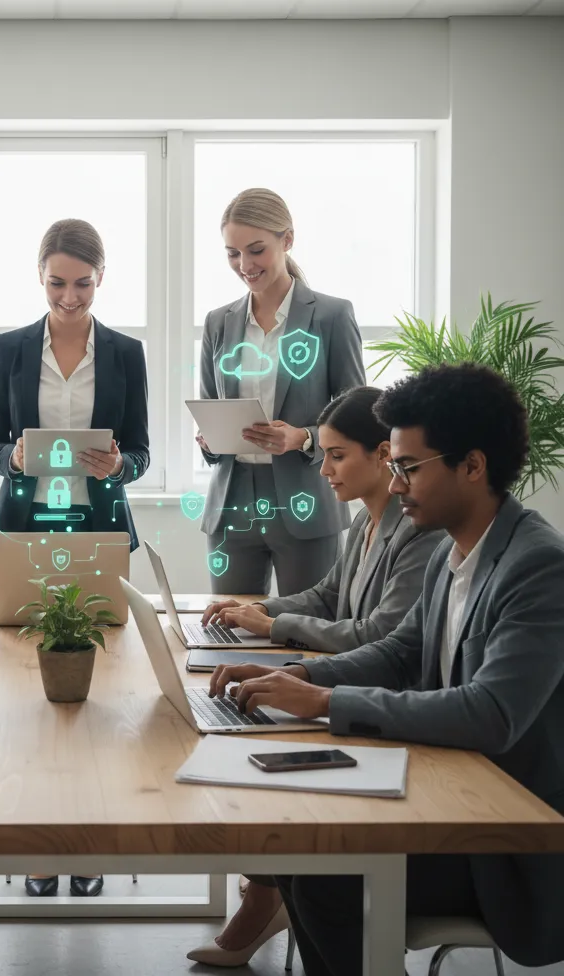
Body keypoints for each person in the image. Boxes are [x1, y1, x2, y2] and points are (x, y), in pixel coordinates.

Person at [207, 363, 564, 974]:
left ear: (472, 466)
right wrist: (300, 681)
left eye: (408, 467)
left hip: (503, 842)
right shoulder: (453, 549)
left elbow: (491, 712)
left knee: (324, 875)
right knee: (302, 848)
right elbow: (398, 652)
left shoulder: (537, 567)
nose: (395, 484)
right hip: (447, 792)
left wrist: (324, 704)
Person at [185, 385, 444, 967]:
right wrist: (260, 611)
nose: (322, 468)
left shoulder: (421, 533)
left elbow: (381, 633)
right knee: (251, 754)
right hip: (354, 689)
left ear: (383, 455)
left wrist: (276, 634)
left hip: (385, 714)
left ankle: (272, 904)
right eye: (322, 454)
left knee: (279, 806)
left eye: (335, 455)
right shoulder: (364, 525)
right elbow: (329, 597)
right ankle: (269, 901)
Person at [0, 218, 149, 898]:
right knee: (25, 691)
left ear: (101, 278)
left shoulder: (127, 353)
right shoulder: (11, 349)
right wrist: (12, 456)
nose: (69, 297)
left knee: (102, 692)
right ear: (39, 277)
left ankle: (92, 843)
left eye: (82, 283)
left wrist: (120, 464)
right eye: (57, 283)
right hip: (26, 524)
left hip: (98, 523)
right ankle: (38, 845)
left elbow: (141, 452)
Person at [198, 188, 366, 596]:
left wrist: (302, 437)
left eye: (256, 250)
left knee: (307, 634)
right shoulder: (218, 322)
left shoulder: (331, 315)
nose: (244, 265)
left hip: (307, 499)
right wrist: (209, 439)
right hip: (231, 502)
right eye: (233, 253)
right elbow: (208, 407)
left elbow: (358, 416)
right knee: (230, 630)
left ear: (286, 240)